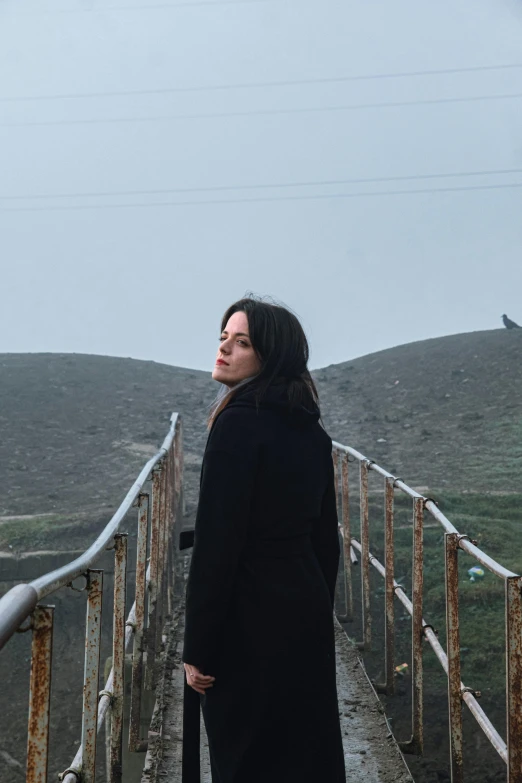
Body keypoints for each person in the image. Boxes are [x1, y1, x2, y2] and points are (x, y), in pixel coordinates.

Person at [182, 295, 346, 783]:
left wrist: (198, 647)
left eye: (242, 342)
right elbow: (326, 540)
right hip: (304, 610)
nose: (223, 350)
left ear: (270, 356)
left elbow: (217, 543)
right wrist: (316, 616)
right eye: (223, 338)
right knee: (303, 756)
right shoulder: (311, 429)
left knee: (246, 759)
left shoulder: (236, 423)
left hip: (247, 620)